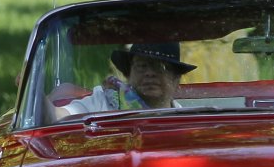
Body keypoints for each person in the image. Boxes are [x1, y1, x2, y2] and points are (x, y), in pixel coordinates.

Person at [58, 43, 196, 114]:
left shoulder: (185, 123)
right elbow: (60, 116)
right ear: (128, 74)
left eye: (161, 67)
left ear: (176, 79)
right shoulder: (103, 101)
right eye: (142, 66)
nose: (149, 73)